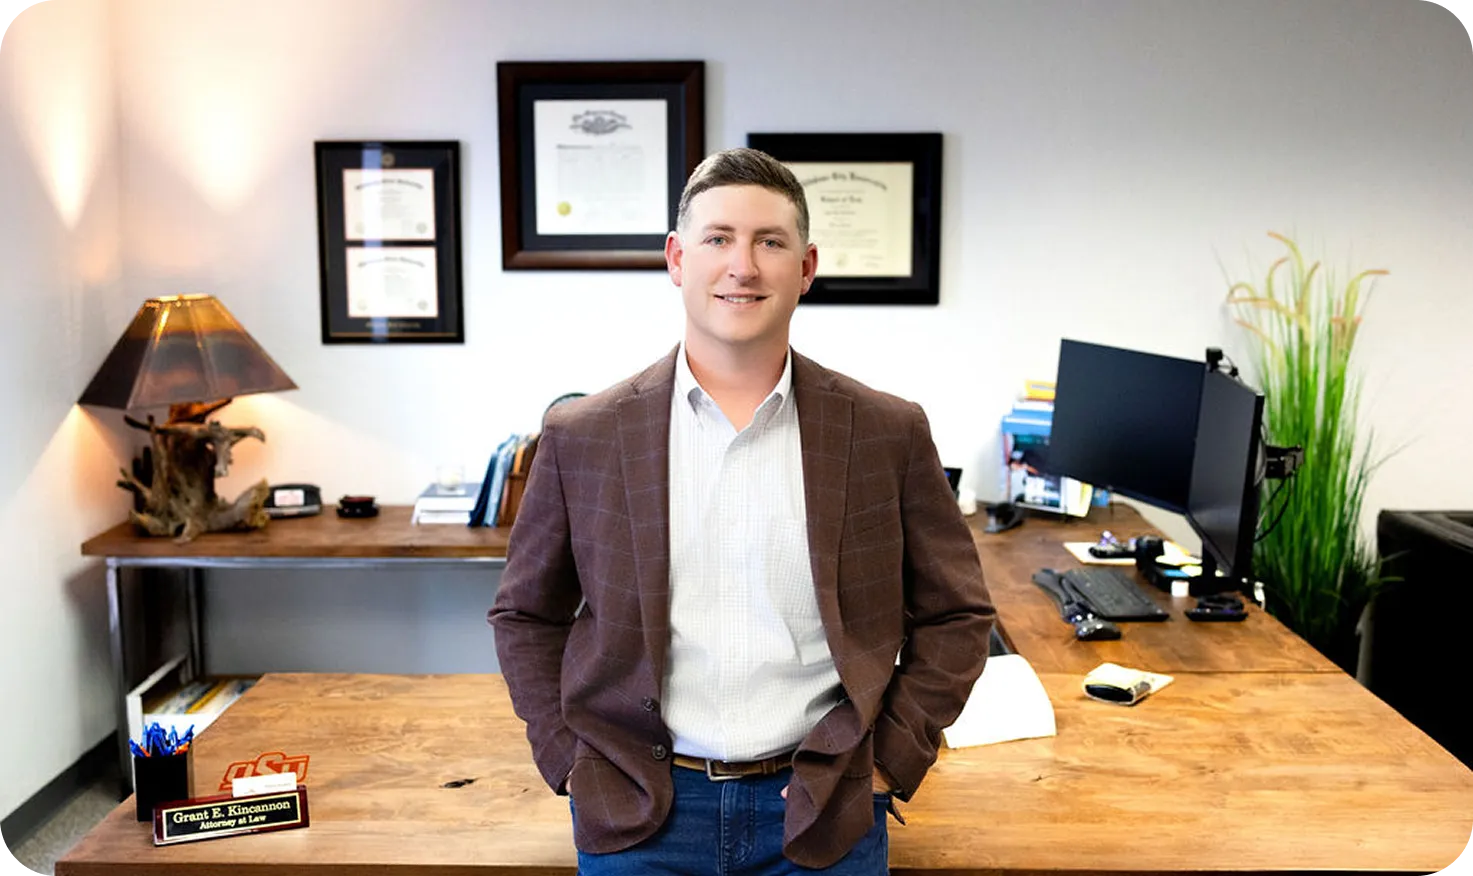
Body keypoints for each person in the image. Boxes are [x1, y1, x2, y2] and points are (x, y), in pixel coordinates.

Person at [489, 147, 994, 873]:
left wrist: (889, 759)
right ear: (675, 258)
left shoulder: (887, 431)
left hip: (822, 807)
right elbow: (525, 615)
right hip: (641, 814)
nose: (743, 265)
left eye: (769, 242)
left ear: (806, 267)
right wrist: (568, 758)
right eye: (718, 239)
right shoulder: (583, 435)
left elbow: (957, 614)